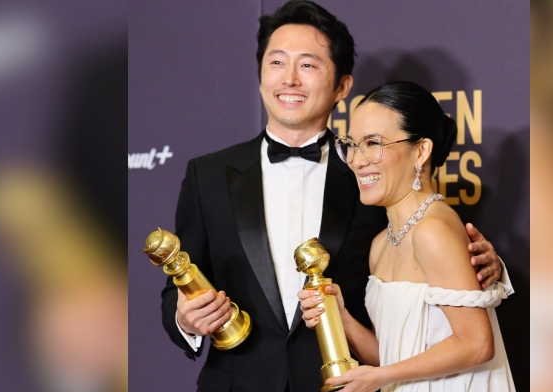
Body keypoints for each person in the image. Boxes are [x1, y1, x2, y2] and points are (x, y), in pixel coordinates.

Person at [161, 2, 507, 391]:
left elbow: (427, 251)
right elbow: (178, 287)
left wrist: (483, 267)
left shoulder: (372, 178)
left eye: (307, 65)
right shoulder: (206, 176)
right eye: (276, 62)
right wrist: (185, 320)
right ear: (259, 74)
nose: (289, 79)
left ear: (342, 85)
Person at [299, 81, 515, 391]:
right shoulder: (379, 245)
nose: (357, 161)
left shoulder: (433, 230)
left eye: (373, 143)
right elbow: (393, 356)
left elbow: (476, 344)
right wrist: (340, 315)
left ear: (421, 151)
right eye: (353, 144)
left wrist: (377, 377)